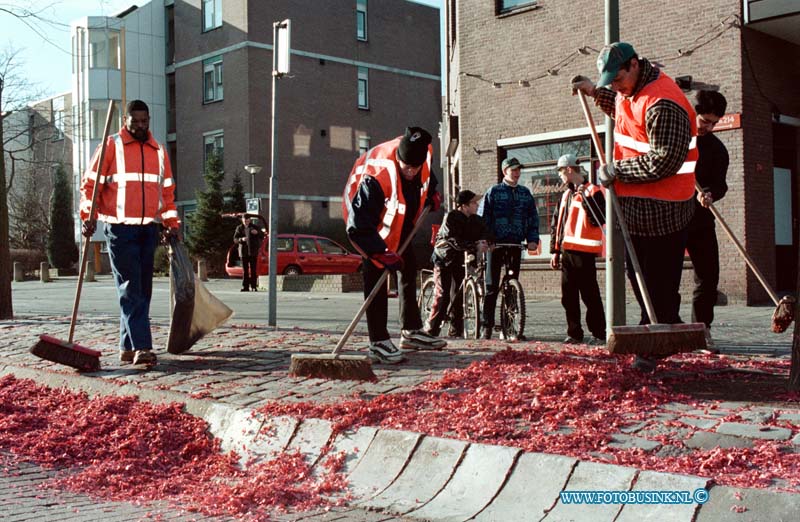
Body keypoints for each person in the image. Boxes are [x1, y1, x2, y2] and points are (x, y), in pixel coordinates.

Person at [572, 42, 698, 371]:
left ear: (633, 66)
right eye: (609, 82)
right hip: (638, 207)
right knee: (637, 273)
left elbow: (665, 160)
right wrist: (593, 90)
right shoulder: (632, 92)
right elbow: (624, 112)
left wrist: (617, 171)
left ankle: (657, 340)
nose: (614, 86)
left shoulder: (663, 103)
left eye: (617, 79)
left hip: (665, 208)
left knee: (657, 279)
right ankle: (660, 330)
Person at [80, 100, 180, 366]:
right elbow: (90, 187)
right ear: (125, 120)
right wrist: (86, 217)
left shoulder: (158, 150)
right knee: (130, 287)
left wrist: (172, 224)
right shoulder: (111, 145)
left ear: (149, 120)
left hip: (148, 228)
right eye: (134, 121)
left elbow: (167, 192)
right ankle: (143, 347)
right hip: (120, 229)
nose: (140, 125)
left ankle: (127, 346)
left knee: (142, 289)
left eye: (144, 121)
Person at [343, 127, 446, 364]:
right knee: (376, 272)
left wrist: (432, 193)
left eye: (414, 168)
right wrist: (379, 252)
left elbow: (428, 177)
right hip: (363, 220)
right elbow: (358, 227)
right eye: (405, 167)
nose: (410, 171)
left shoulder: (424, 155)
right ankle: (378, 341)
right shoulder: (378, 176)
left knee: (408, 266)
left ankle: (410, 331)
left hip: (398, 216)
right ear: (398, 158)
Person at [479, 157, 540, 340]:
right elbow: (484, 218)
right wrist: (488, 239)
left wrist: (532, 239)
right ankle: (486, 326)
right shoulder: (494, 192)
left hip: (515, 244)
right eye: (513, 170)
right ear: (505, 171)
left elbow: (533, 218)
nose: (516, 173)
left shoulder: (525, 193)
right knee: (491, 286)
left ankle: (510, 327)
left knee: (512, 285)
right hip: (495, 245)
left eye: (518, 170)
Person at [686, 90, 729, 347]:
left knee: (708, 274)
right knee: (664, 274)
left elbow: (721, 184)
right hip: (672, 216)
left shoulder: (717, 149)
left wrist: (711, 193)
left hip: (701, 218)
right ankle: (666, 327)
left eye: (714, 123)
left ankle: (702, 329)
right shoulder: (679, 139)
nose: (708, 127)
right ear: (694, 113)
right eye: (704, 121)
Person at [550, 154, 607, 345]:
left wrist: (585, 198)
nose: (559, 176)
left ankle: (599, 332)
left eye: (560, 171)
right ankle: (574, 333)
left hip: (584, 252)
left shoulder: (593, 190)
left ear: (568, 169)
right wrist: (555, 251)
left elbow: (599, 218)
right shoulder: (566, 194)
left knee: (590, 295)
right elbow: (557, 224)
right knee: (568, 296)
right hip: (567, 252)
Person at [424, 190, 493, 338]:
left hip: (461, 259)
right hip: (445, 258)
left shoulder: (476, 220)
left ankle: (456, 330)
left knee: (459, 294)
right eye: (474, 202)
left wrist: (487, 242)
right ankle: (431, 330)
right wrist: (475, 246)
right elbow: (452, 239)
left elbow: (486, 232)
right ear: (464, 205)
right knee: (443, 294)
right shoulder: (451, 217)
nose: (477, 205)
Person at [234, 214, 264, 292]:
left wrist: (257, 233)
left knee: (253, 270)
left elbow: (262, 235)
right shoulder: (239, 228)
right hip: (243, 252)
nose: (246, 222)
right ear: (242, 220)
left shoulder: (254, 227)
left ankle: (254, 286)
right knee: (245, 270)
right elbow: (235, 239)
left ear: (249, 220)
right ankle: (245, 287)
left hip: (253, 252)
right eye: (244, 221)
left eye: (247, 220)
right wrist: (241, 239)